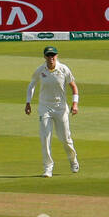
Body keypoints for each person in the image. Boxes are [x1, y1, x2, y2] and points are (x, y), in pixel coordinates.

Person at [24, 45, 79, 178]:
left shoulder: (64, 69)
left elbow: (73, 86)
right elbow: (32, 85)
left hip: (61, 108)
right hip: (45, 108)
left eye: (53, 55)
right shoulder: (40, 70)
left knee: (65, 138)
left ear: (57, 56)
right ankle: (48, 168)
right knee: (45, 138)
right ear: (44, 57)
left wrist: (75, 104)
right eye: (48, 55)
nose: (51, 58)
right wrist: (28, 102)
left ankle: (73, 160)